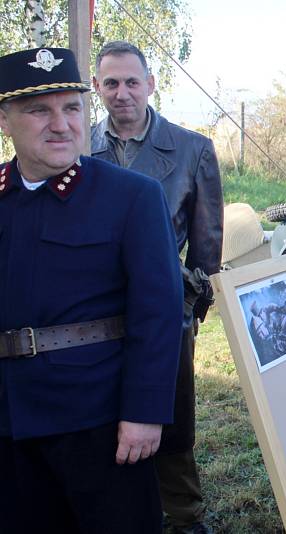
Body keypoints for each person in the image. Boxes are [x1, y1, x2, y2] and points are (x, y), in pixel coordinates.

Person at [0, 47, 183, 533]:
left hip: (99, 423)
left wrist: (145, 412)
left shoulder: (131, 197)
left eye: (72, 108)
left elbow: (159, 314)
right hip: (8, 419)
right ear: (5, 119)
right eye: (39, 110)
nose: (60, 124)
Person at [91, 41, 223, 534]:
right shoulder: (81, 148)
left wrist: (185, 305)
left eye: (131, 82)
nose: (122, 93)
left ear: (150, 84)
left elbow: (207, 247)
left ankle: (184, 514)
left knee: (171, 415)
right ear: (97, 89)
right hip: (96, 313)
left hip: (166, 309)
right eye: (110, 83)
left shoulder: (192, 149)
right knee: (106, 415)